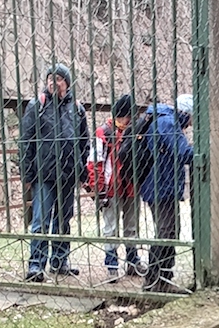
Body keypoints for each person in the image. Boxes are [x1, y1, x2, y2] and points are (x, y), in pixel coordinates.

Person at [19, 63, 90, 282]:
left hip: (68, 174)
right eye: (50, 78)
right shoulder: (37, 105)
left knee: (63, 220)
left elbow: (84, 142)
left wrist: (81, 171)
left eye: (58, 78)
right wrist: (27, 175)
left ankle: (60, 261)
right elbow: (25, 141)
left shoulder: (76, 109)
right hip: (44, 174)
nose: (53, 82)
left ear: (66, 83)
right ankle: (35, 265)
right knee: (40, 220)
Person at [139, 94, 194, 293]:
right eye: (192, 118)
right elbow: (184, 153)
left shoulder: (164, 120)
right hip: (160, 186)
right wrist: (204, 150)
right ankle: (157, 280)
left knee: (169, 231)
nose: (190, 125)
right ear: (186, 113)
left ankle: (160, 278)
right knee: (166, 232)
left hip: (162, 185)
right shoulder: (167, 123)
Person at [87, 94, 145, 281]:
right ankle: (111, 264)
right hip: (111, 188)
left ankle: (132, 261)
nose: (131, 120)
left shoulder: (136, 131)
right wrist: (99, 189)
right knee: (110, 227)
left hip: (132, 186)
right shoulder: (103, 133)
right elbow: (95, 162)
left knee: (131, 226)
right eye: (129, 116)